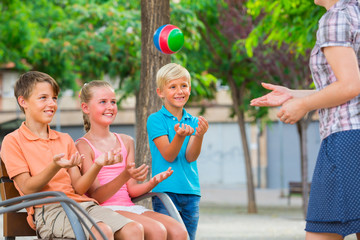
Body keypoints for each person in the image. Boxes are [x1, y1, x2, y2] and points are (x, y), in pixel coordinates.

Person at [251, 0, 360, 239]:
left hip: (347, 140)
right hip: (351, 136)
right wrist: (294, 94)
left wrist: (303, 105)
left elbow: (351, 86)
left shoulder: (336, 17)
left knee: (320, 232)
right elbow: (346, 86)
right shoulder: (355, 12)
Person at [0, 71, 144, 240]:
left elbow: (79, 188)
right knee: (100, 230)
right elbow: (27, 188)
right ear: (23, 101)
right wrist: (55, 167)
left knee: (134, 229)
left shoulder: (64, 139)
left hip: (81, 204)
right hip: (49, 209)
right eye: (43, 98)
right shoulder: (13, 141)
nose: (51, 103)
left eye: (54, 98)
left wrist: (98, 164)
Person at [76, 80, 188, 240]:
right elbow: (97, 197)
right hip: (105, 210)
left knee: (179, 231)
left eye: (113, 102)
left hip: (129, 206)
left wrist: (152, 182)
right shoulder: (83, 146)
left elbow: (132, 190)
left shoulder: (126, 141)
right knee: (157, 230)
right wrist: (125, 175)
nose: (110, 107)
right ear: (86, 108)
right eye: (102, 102)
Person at [146, 63, 209, 240]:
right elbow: (169, 154)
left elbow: (191, 156)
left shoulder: (194, 121)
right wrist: (180, 136)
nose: (179, 91)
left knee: (188, 237)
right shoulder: (155, 120)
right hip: (166, 192)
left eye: (183, 86)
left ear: (189, 89)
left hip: (191, 192)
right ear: (161, 92)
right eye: (172, 87)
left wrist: (199, 135)